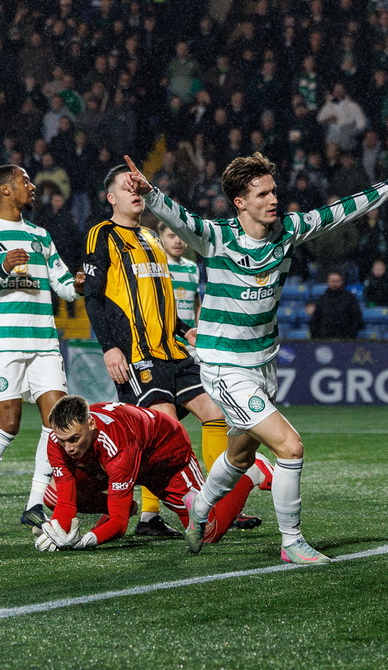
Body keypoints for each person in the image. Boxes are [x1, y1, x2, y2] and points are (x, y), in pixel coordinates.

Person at [120, 151, 388, 561]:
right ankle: (291, 542)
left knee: (240, 455)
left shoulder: (287, 230)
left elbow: (338, 213)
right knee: (290, 447)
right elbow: (179, 218)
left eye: (273, 191)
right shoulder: (217, 237)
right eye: (262, 194)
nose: (273, 199)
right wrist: (151, 192)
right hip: (225, 367)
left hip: (264, 364)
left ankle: (200, 508)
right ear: (240, 202)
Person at [83, 165, 258, 536]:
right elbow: (94, 298)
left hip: (173, 352)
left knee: (216, 414)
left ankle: (217, 499)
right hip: (137, 354)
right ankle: (170, 514)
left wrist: (183, 329)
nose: (135, 193)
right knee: (166, 433)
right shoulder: (102, 234)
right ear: (111, 197)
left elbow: (157, 298)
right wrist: (110, 348)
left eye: (138, 187)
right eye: (126, 188)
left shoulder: (151, 237)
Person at [0, 164, 84, 531]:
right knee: (9, 424)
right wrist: (1, 268)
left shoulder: (40, 235)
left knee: (56, 422)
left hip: (44, 340)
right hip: (3, 341)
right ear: (5, 190)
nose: (32, 186)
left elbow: (62, 283)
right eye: (25, 181)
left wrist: (77, 285)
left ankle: (34, 504)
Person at [34, 395, 273, 552]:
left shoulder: (118, 448)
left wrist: (89, 540)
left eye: (74, 439)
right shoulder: (58, 441)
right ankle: (122, 503)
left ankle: (252, 472)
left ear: (91, 425)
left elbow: (119, 524)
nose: (69, 448)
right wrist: (58, 529)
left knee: (205, 534)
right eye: (63, 440)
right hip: (124, 453)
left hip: (164, 455)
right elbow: (65, 501)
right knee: (52, 496)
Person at [309, 270, 363, 339]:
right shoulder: (322, 299)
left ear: (342, 282)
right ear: (328, 281)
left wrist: (350, 333)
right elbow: (315, 320)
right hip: (325, 338)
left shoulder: (350, 298)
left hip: (345, 338)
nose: (334, 283)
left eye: (337, 281)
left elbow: (356, 318)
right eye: (332, 281)